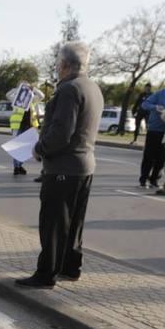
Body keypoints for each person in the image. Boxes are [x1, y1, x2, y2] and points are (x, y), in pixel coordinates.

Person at [15, 41, 103, 289]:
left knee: (53, 223)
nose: (56, 68)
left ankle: (46, 274)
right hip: (84, 166)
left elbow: (62, 132)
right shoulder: (92, 87)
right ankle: (70, 267)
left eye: (57, 64)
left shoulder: (69, 90)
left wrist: (38, 148)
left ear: (64, 65)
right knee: (74, 222)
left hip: (63, 167)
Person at [139, 77, 165, 188]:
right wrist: (155, 107)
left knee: (162, 158)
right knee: (149, 156)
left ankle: (155, 179)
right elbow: (145, 104)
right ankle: (143, 179)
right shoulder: (160, 93)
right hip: (154, 129)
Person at [12, 103, 35, 176]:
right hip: (18, 126)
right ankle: (16, 167)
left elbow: (41, 96)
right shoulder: (18, 100)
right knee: (17, 148)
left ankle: (19, 165)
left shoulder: (32, 99)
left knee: (25, 149)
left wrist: (33, 91)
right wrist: (18, 91)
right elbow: (8, 95)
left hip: (28, 127)